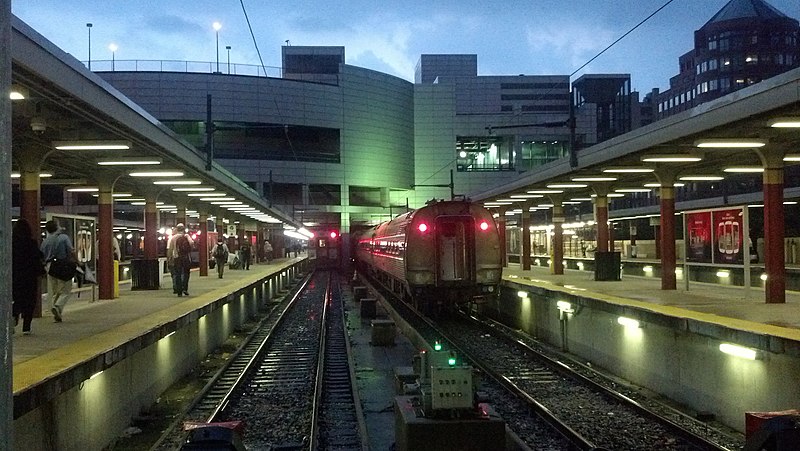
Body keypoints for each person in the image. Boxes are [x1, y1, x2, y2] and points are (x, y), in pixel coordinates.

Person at [13, 219, 45, 335]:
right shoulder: (31, 243)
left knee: (17, 299)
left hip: (15, 276)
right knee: (30, 301)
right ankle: (26, 327)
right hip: (30, 276)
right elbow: (38, 257)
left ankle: (13, 317)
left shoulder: (11, 243)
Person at [40, 219, 75, 323]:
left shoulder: (45, 241)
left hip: (50, 267)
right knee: (66, 289)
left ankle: (57, 313)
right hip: (62, 265)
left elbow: (41, 255)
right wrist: (77, 262)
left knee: (55, 290)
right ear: (56, 227)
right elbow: (71, 251)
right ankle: (57, 306)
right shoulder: (63, 237)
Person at [166, 223, 194, 296]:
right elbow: (191, 243)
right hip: (186, 257)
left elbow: (170, 249)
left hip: (177, 258)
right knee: (186, 274)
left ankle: (179, 291)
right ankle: (185, 288)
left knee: (178, 274)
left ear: (177, 229)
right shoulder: (186, 236)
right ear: (183, 229)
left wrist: (169, 258)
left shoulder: (173, 238)